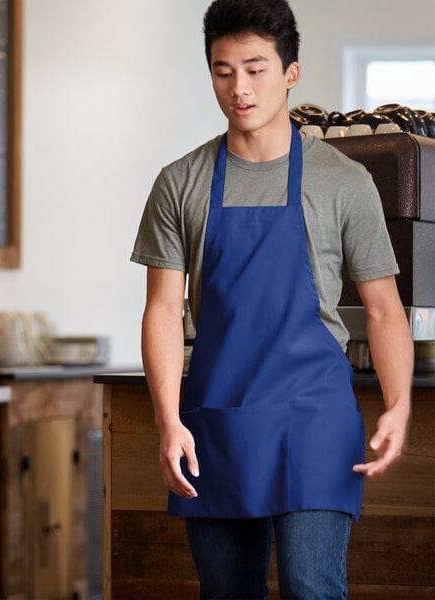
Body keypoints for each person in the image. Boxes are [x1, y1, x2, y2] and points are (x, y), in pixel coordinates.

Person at [130, 1, 413, 598]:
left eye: (256, 69)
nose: (239, 88)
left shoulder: (343, 182)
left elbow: (385, 308)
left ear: (291, 73)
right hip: (216, 423)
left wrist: (398, 402)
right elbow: (162, 309)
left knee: (312, 587)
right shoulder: (180, 182)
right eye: (222, 70)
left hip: (313, 418)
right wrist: (167, 419)